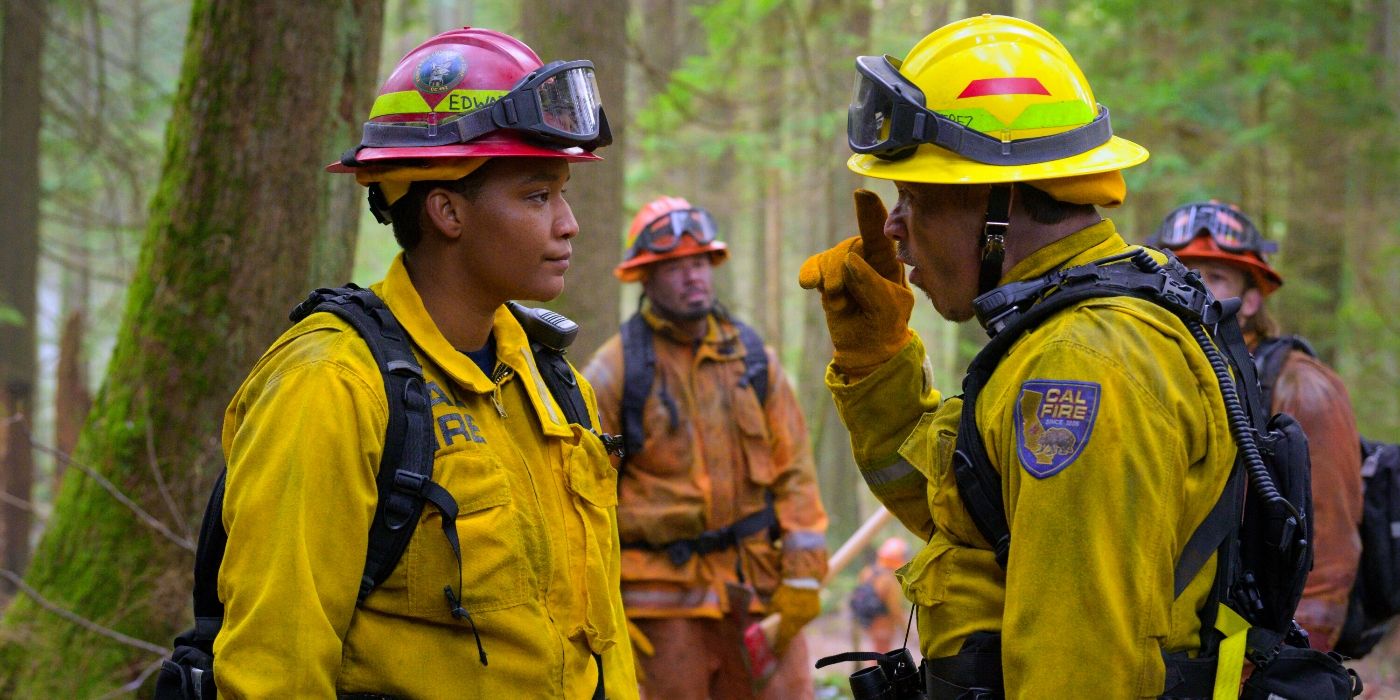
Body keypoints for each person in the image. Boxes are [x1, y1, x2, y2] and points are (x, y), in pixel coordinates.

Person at [799, 15, 1244, 696]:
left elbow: (1080, 665)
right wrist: (877, 364)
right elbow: (974, 513)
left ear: (1001, 205)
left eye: (914, 197)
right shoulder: (1079, 329)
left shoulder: (1081, 366)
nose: (893, 227)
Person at [213, 28, 637, 697]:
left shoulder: (553, 385)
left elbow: (597, 639)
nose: (569, 223)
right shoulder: (330, 386)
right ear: (446, 210)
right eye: (537, 195)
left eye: (563, 192)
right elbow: (277, 670)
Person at [582, 196, 828, 699]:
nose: (692, 277)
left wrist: (802, 583)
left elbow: (796, 475)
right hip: (659, 606)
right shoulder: (613, 372)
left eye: (699, 263)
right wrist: (596, 604)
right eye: (674, 267)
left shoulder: (756, 361)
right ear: (644, 278)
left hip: (756, 595)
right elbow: (584, 504)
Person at [1148, 201, 1365, 651]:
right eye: (1182, 270)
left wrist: (1282, 669)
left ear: (1250, 298)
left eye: (1216, 276)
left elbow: (1329, 560)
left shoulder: (1302, 386)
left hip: (1247, 649)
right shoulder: (1156, 370)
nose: (1192, 287)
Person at [850, 537, 910, 656]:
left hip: (869, 620)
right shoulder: (889, 579)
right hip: (883, 623)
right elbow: (894, 608)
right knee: (882, 656)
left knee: (877, 651)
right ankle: (878, 675)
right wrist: (905, 628)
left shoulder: (868, 571)